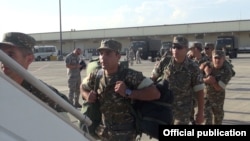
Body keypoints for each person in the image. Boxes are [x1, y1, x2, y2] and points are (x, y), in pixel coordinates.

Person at [80, 39, 160, 141]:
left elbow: (155, 93)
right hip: (103, 133)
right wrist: (87, 96)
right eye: (101, 53)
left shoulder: (130, 75)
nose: (102, 57)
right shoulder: (96, 75)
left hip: (126, 134)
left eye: (108, 53)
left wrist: (128, 92)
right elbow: (82, 87)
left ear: (118, 56)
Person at [0, 32, 70, 113]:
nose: (3, 60)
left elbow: (67, 115)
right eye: (2, 54)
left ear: (29, 59)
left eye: (10, 55)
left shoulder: (44, 94)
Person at [151, 35, 205, 125]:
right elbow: (153, 79)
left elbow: (199, 91)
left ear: (186, 49)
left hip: (183, 110)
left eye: (179, 47)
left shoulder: (193, 68)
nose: (175, 50)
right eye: (173, 47)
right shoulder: (165, 62)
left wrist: (200, 112)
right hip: (165, 107)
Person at [202, 50, 233, 125]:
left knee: (217, 120)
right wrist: (206, 79)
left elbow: (218, 88)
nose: (217, 60)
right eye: (215, 58)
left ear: (223, 59)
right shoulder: (207, 66)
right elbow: (197, 78)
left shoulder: (227, 71)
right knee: (206, 120)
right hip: (206, 97)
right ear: (211, 58)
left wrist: (209, 76)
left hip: (218, 99)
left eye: (219, 58)